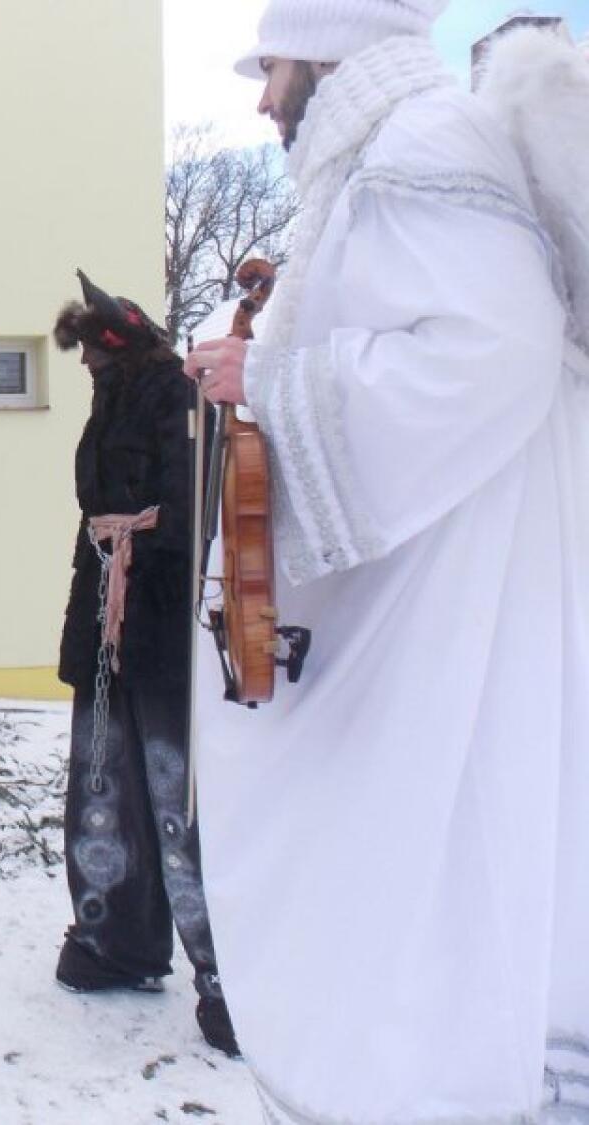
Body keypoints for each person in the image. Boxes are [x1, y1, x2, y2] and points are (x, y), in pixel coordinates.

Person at [183, 2, 589, 1119]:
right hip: (438, 567)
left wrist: (268, 380)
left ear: (328, 49)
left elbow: (492, 351)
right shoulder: (382, 155)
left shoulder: (420, 143)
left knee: (439, 862)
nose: (263, 101)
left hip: (465, 583)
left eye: (271, 69)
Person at [49, 276, 237, 1058]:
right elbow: (96, 514)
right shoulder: (112, 400)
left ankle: (226, 977)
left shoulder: (176, 397)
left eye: (93, 354)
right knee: (103, 784)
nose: (86, 366)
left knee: (173, 794)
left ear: (118, 346)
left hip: (162, 621)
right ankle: (115, 940)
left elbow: (193, 514)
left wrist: (141, 552)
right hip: (108, 612)